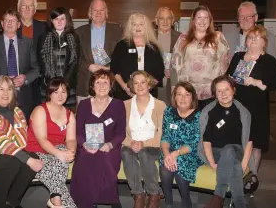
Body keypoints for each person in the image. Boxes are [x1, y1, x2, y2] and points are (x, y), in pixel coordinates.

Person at [0, 76, 43, 208]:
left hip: (10, 156)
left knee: (32, 157)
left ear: (14, 92)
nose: (5, 93)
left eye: (9, 89)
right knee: (14, 161)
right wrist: (27, 159)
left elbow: (23, 141)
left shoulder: (18, 112)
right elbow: (3, 144)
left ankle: (11, 202)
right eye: (1, 89)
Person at [226, 25, 276, 172]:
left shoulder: (269, 61)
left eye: (258, 38)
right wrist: (231, 79)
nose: (253, 41)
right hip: (236, 105)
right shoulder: (238, 56)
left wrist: (256, 82)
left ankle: (252, 176)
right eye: (250, 37)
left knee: (255, 143)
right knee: (236, 141)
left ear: (265, 42)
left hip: (257, 108)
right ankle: (236, 174)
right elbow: (228, 75)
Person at [70, 69, 126, 208]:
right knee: (84, 157)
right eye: (98, 82)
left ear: (111, 85)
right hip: (88, 144)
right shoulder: (83, 105)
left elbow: (121, 133)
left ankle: (112, 198)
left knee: (105, 157)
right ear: (92, 86)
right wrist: (84, 144)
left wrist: (110, 145)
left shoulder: (119, 105)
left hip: (110, 146)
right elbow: (78, 131)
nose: (102, 86)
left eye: (105, 82)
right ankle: (87, 201)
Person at [198, 75, 256, 208]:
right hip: (216, 153)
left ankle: (218, 195)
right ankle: (240, 203)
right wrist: (212, 163)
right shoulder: (209, 112)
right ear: (215, 94)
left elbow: (249, 141)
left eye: (227, 89)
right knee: (234, 166)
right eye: (219, 91)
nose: (223, 94)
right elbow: (205, 141)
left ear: (233, 90)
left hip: (237, 151)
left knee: (229, 149)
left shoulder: (243, 112)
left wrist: (244, 165)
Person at [24, 77, 77, 208]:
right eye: (56, 92)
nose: (60, 95)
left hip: (56, 152)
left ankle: (55, 200)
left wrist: (71, 151)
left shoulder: (70, 114)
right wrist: (59, 154)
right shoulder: (40, 110)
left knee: (62, 151)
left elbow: (71, 139)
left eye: (63, 92)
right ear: (49, 93)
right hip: (36, 152)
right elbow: (42, 140)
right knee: (57, 167)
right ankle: (57, 201)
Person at [0, 8, 40, 121]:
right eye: (7, 20)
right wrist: (3, 80)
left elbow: (36, 68)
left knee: (22, 128)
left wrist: (25, 78)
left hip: (23, 94)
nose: (9, 23)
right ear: (2, 24)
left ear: (18, 24)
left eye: (13, 21)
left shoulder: (28, 43)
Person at [121, 71, 166, 208]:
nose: (139, 86)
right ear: (132, 86)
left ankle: (153, 194)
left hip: (153, 146)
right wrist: (131, 142)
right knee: (126, 153)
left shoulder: (160, 105)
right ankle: (138, 195)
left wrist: (143, 144)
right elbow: (120, 130)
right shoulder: (124, 105)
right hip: (131, 144)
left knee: (144, 152)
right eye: (136, 83)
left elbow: (162, 133)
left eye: (143, 82)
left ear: (149, 84)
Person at [171, 5, 230, 110]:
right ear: (193, 20)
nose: (202, 21)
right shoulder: (183, 38)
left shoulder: (218, 37)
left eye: (206, 18)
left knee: (210, 124)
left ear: (210, 20)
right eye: (199, 17)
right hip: (188, 93)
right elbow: (175, 65)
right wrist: (174, 89)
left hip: (212, 93)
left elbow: (225, 65)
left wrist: (223, 90)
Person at [159, 81, 202, 208]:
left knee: (180, 165)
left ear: (192, 97)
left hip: (191, 153)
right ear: (175, 97)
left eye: (187, 94)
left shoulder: (200, 115)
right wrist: (167, 153)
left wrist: (176, 153)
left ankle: (186, 202)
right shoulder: (169, 111)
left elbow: (196, 142)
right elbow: (165, 135)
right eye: (179, 94)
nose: (183, 98)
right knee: (165, 165)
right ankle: (168, 203)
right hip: (171, 150)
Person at [75, 0, 123, 105]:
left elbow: (122, 56)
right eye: (95, 10)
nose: (98, 13)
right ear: (89, 12)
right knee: (85, 119)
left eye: (101, 10)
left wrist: (111, 67)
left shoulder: (118, 31)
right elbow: (74, 57)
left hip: (110, 84)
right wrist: (88, 65)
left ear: (106, 13)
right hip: (85, 85)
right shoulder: (78, 32)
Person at [111, 12, 164, 101]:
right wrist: (125, 87)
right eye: (134, 24)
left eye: (141, 24)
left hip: (149, 94)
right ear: (130, 28)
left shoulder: (154, 47)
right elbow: (114, 69)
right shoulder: (122, 45)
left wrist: (148, 88)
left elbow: (160, 72)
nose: (137, 27)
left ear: (146, 27)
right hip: (125, 94)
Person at [38, 7, 79, 105]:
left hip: (68, 84)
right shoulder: (44, 37)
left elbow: (75, 61)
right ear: (52, 21)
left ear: (67, 20)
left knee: (67, 115)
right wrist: (53, 81)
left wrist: (65, 82)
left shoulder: (74, 37)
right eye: (56, 19)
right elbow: (42, 61)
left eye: (62, 19)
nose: (59, 22)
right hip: (49, 84)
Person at [17, 0, 47, 109]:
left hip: (38, 81)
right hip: (17, 79)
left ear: (35, 10)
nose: (27, 9)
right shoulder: (13, 27)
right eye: (24, 6)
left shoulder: (44, 28)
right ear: (19, 9)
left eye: (31, 6)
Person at [154, 7, 182, 105]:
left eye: (168, 18)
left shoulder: (181, 38)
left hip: (173, 84)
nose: (165, 22)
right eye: (162, 18)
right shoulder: (149, 37)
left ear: (173, 21)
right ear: (157, 21)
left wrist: (175, 72)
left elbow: (185, 61)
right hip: (154, 85)